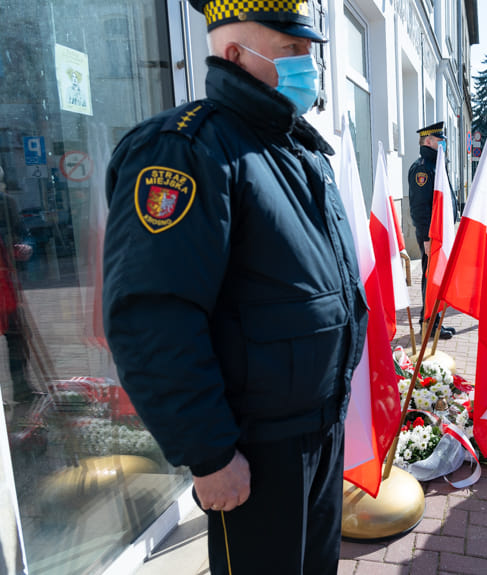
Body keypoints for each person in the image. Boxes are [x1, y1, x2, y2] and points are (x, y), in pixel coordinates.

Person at [101, 2, 366, 573]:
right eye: (292, 51)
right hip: (255, 450)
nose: (308, 65)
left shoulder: (295, 149)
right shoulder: (187, 150)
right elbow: (153, 317)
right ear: (234, 55)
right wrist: (210, 453)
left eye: (307, 51)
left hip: (317, 428)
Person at [408, 121, 454, 339]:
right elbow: (419, 207)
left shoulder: (435, 164)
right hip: (431, 235)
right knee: (430, 277)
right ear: (428, 141)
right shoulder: (423, 169)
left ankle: (433, 322)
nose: (443, 143)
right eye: (439, 140)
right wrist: (426, 237)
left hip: (439, 233)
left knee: (437, 276)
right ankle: (428, 324)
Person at [0, 167, 31, 405]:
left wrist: (24, 247)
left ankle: (22, 390)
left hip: (5, 280)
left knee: (17, 336)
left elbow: (22, 235)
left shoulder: (6, 202)